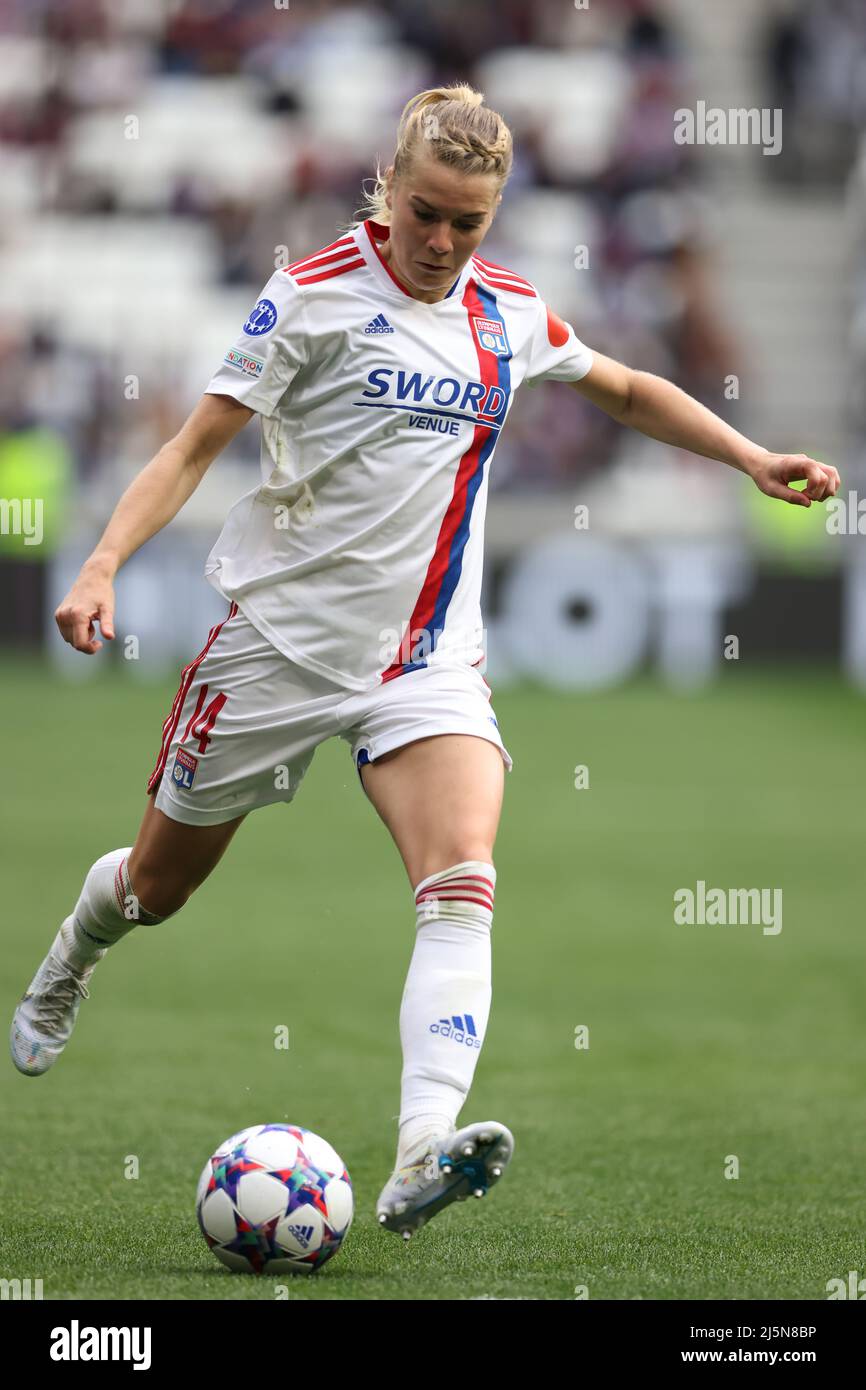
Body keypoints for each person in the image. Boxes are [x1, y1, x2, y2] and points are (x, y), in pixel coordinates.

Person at [10, 84, 840, 1243]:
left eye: (468, 224)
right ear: (386, 190)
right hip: (281, 647)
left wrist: (749, 457)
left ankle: (417, 1149)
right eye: (426, 213)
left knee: (462, 879)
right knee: (157, 890)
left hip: (426, 662)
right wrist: (99, 565)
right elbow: (196, 444)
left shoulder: (505, 312)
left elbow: (622, 387)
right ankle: (66, 962)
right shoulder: (306, 300)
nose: (443, 244)